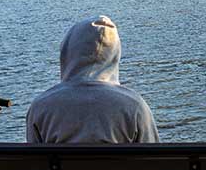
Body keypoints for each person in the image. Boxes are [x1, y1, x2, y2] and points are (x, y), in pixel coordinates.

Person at [26, 15, 160, 143]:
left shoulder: (41, 106)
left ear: (68, 51)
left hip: (62, 168)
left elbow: (35, 163)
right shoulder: (133, 105)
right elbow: (152, 161)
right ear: (114, 55)